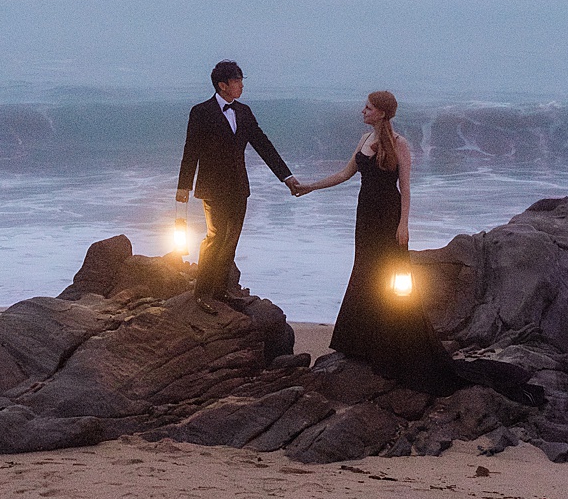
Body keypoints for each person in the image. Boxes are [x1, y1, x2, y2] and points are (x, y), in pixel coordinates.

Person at [294, 90, 465, 394]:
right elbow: (345, 174)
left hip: (389, 218)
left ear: (382, 113)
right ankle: (360, 343)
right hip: (365, 217)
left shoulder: (401, 145)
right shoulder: (364, 140)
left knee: (389, 280)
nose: (363, 111)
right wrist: (310, 187)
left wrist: (404, 225)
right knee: (365, 273)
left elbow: (407, 189)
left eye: (369, 108)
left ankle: (390, 345)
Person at [175, 60, 305, 310]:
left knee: (231, 238)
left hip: (238, 186)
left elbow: (263, 145)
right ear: (223, 85)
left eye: (241, 80)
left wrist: (286, 177)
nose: (241, 85)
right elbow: (191, 149)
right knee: (215, 236)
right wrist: (184, 185)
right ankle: (202, 293)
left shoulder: (244, 111)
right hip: (212, 187)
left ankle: (221, 289)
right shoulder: (200, 111)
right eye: (237, 81)